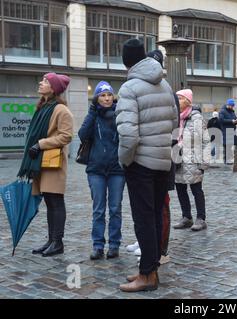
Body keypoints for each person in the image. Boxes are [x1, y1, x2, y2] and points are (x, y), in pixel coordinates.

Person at [115, 39, 178, 292]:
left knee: (143, 219)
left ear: (126, 62)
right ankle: (150, 270)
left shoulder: (130, 88)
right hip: (162, 160)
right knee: (153, 217)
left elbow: (128, 135)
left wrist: (125, 159)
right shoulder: (164, 84)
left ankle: (148, 275)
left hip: (140, 162)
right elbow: (173, 121)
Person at [17, 73, 73, 257]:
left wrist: (40, 144)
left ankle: (58, 242)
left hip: (53, 162)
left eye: (46, 81)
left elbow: (66, 136)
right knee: (49, 201)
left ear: (54, 88)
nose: (41, 83)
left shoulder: (61, 110)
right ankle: (51, 240)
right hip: (41, 162)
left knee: (56, 201)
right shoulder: (43, 107)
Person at [78, 81, 125, 260]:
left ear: (113, 97)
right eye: (102, 95)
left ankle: (114, 245)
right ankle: (98, 246)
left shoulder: (120, 114)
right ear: (97, 98)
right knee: (98, 210)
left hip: (116, 170)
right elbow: (82, 135)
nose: (106, 98)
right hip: (96, 169)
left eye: (109, 95)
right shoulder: (94, 115)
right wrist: (92, 112)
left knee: (115, 208)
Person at [173, 89, 211, 231]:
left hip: (194, 160)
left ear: (188, 101)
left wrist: (203, 163)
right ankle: (186, 217)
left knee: (196, 190)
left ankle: (201, 219)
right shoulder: (175, 117)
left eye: (180, 98)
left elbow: (206, 142)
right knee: (180, 189)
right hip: (178, 159)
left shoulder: (197, 118)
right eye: (176, 97)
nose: (177, 100)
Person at [219, 98, 237, 164]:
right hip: (225, 130)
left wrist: (236, 121)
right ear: (228, 104)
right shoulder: (222, 111)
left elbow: (235, 118)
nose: (232, 107)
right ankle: (226, 160)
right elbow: (221, 120)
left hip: (232, 130)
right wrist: (231, 121)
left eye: (233, 106)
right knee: (226, 145)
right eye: (231, 105)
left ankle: (229, 159)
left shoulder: (232, 111)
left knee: (230, 145)